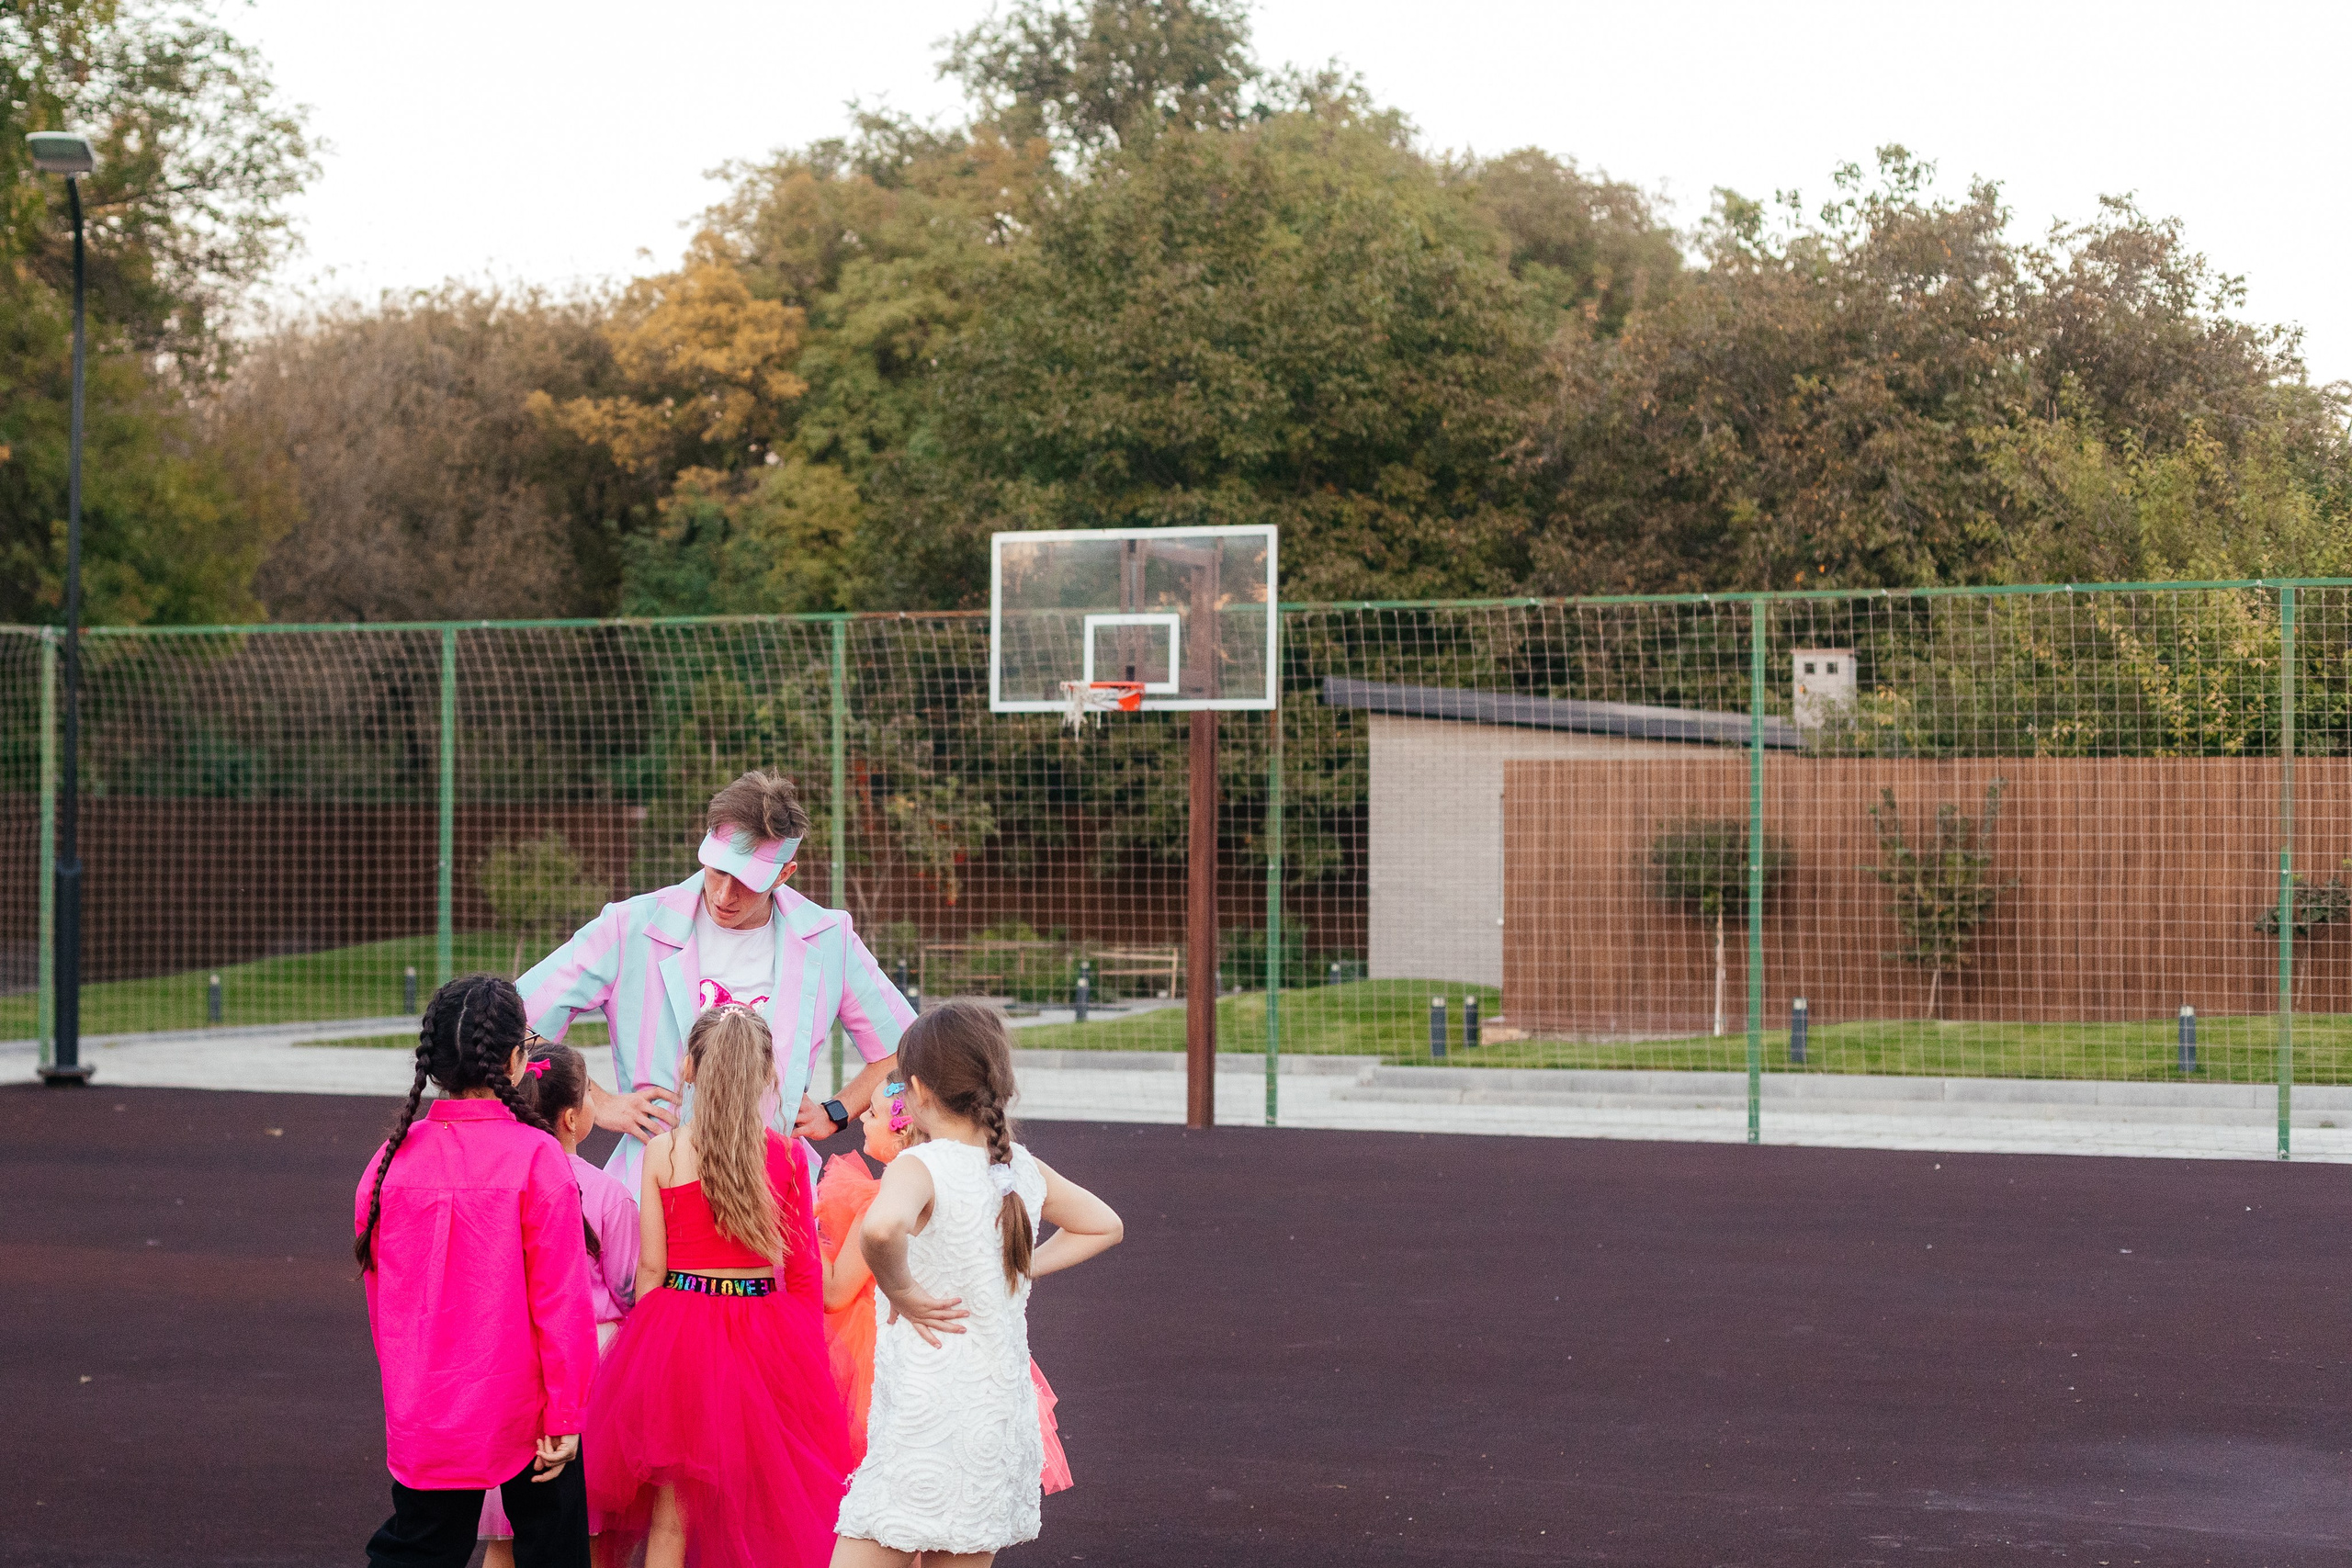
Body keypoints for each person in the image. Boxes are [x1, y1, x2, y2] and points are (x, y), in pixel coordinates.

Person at [519, 770, 915, 1200]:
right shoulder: (630, 926)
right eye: (718, 870)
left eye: (747, 881)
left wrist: (835, 1111)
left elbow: (905, 1046)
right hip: (658, 1186)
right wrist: (601, 1101)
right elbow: (517, 1018)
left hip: (774, 1193)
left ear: (785, 874)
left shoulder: (828, 937)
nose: (725, 894)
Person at [831, 1000, 1125, 1568]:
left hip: (926, 1418)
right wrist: (1015, 1267)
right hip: (994, 1416)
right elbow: (1104, 1224)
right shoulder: (1018, 1165)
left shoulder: (920, 1166)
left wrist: (902, 1289)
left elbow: (882, 1226)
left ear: (915, 1088)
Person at [585, 1004, 854, 1568]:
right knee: (756, 1502)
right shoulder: (784, 1156)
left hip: (679, 1327)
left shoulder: (665, 1151)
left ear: (687, 1068)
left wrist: (652, 1357)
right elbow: (803, 1268)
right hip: (765, 1332)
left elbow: (652, 1271)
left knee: (672, 1514)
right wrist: (804, 1352)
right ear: (767, 1076)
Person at [354, 976, 599, 1568]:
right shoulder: (539, 1158)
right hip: (529, 1409)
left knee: (420, 1548)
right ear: (516, 1060)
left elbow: (384, 1299)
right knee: (554, 1550)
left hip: (428, 1407)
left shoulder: (390, 1161)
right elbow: (561, 1302)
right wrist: (566, 1410)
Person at [816, 1082, 1072, 1491]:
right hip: (977, 1363)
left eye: (875, 1113)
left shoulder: (882, 1202)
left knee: (893, 1491)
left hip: (891, 1350)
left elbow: (835, 1292)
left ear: (903, 1129)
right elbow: (1105, 1225)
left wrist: (791, 1221)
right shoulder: (979, 1178)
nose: (862, 1117)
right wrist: (1017, 1267)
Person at [481, 1041, 640, 1568]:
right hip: (586, 1371)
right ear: (572, 1118)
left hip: (509, 1367)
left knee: (505, 1539)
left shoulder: (499, 1184)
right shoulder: (608, 1195)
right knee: (585, 1529)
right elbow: (626, 1289)